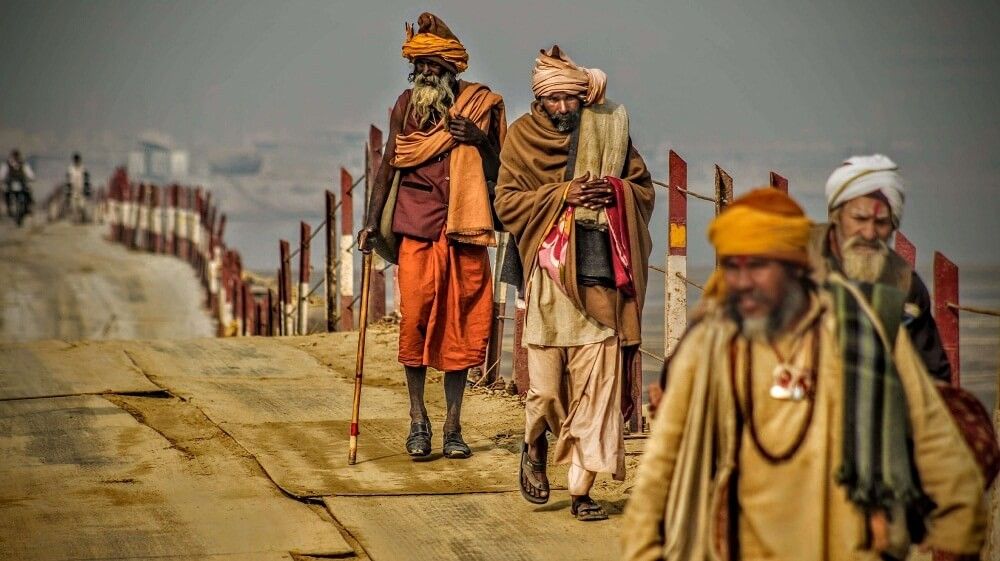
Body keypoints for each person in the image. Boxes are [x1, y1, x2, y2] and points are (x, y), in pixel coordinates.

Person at [621, 188, 984, 560]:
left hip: (841, 539)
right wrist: (644, 549)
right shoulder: (712, 342)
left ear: (795, 266)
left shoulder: (860, 330)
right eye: (733, 266)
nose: (742, 281)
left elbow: (935, 441)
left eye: (758, 265)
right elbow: (663, 462)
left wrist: (957, 533)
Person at [494, 46, 655, 521]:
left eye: (572, 99)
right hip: (548, 279)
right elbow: (506, 203)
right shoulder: (521, 137)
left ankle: (582, 491)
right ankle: (534, 444)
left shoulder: (608, 128)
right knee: (544, 392)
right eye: (555, 100)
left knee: (597, 392)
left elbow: (643, 188)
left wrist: (616, 192)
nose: (564, 107)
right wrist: (564, 193)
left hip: (601, 278)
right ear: (539, 100)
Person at [357, 12, 506, 459]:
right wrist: (370, 221)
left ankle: (453, 427)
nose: (424, 72)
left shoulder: (481, 106)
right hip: (417, 228)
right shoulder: (406, 105)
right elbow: (389, 164)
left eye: (433, 65)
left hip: (466, 230)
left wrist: (478, 139)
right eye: (419, 65)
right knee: (416, 321)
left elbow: (504, 171)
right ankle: (418, 420)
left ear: (450, 69)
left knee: (462, 325)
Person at [814, 154, 951, 381]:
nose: (870, 234)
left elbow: (933, 372)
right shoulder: (796, 265)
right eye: (859, 219)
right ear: (836, 217)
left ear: (893, 225)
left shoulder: (905, 284)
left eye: (881, 223)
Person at [1, 149, 35, 219]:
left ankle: (28, 207)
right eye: (14, 156)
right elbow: (2, 174)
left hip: (21, 184)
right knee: (6, 193)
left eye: (17, 156)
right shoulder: (7, 165)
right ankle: (9, 207)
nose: (16, 158)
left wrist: (32, 178)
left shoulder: (23, 165)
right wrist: (2, 179)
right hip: (10, 185)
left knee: (28, 192)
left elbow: (29, 173)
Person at [65, 152, 92, 223]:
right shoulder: (70, 170)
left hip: (82, 191)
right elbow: (68, 183)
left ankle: (83, 217)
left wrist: (87, 192)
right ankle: (75, 219)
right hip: (73, 191)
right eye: (75, 160)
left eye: (77, 160)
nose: (76, 161)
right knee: (74, 206)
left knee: (82, 206)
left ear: (80, 160)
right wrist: (68, 194)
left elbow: (87, 182)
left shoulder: (83, 169)